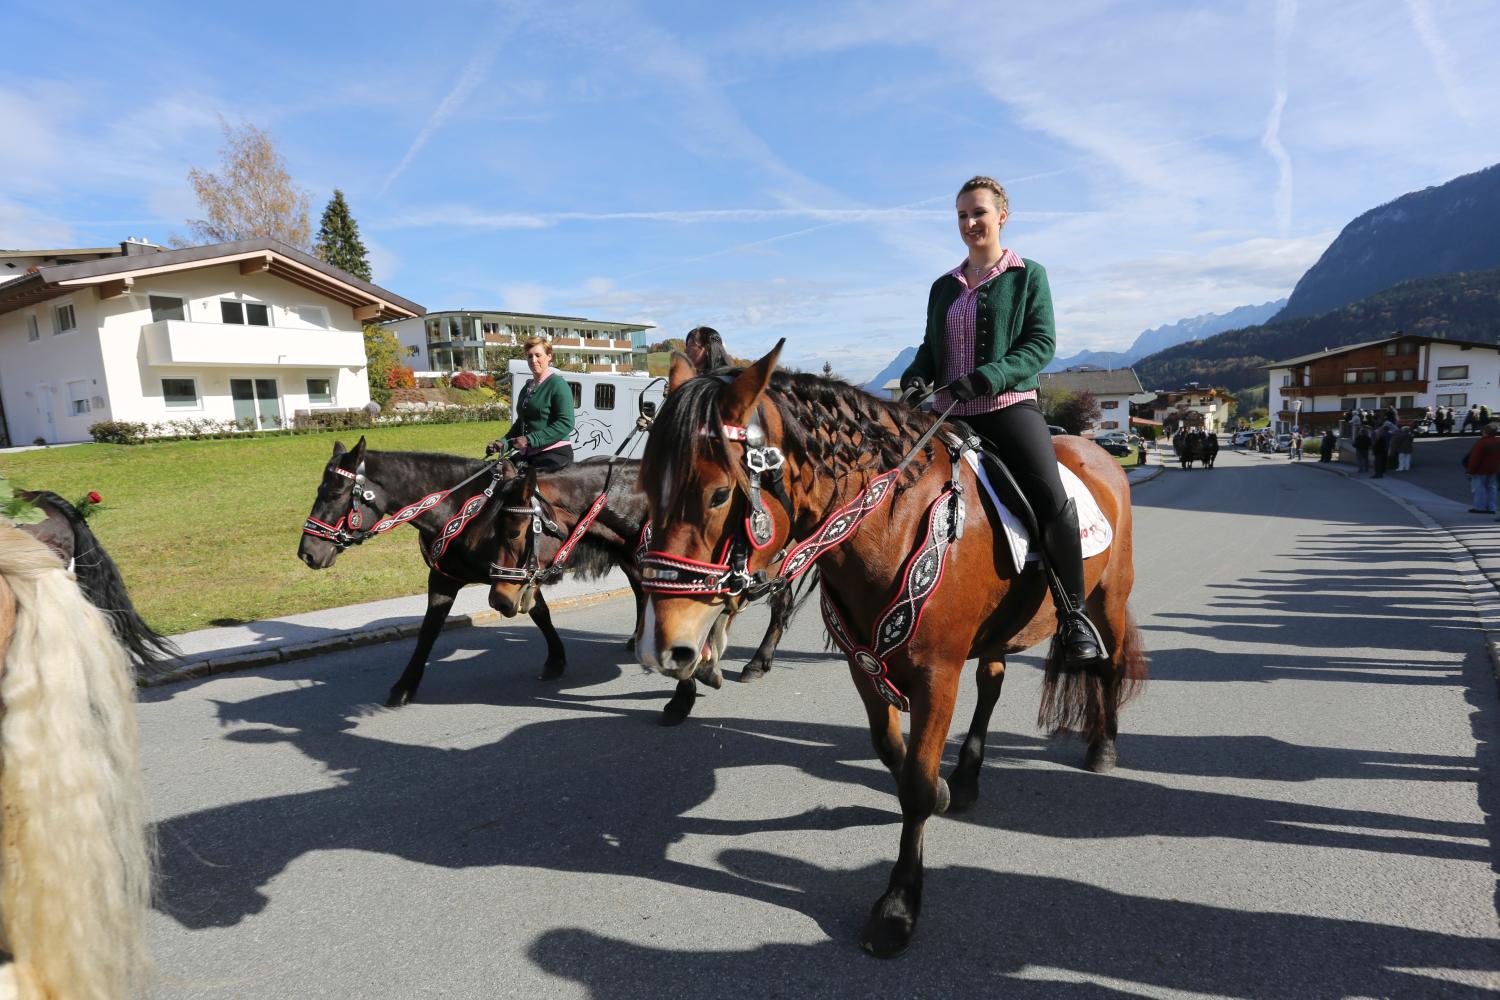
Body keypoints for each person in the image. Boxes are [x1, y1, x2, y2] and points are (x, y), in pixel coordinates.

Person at [899, 175, 1103, 670]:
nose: (970, 222)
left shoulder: (1028, 274)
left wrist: (987, 377)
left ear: (1002, 216)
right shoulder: (943, 286)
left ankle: (1074, 616)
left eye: (979, 213)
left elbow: (1040, 344)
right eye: (962, 215)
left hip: (1008, 407)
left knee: (1050, 499)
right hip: (948, 413)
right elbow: (930, 348)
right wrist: (916, 376)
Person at [491, 335, 575, 471]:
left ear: (549, 356)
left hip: (554, 454)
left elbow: (566, 423)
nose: (533, 360)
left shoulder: (558, 385)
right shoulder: (527, 388)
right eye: (529, 356)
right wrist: (503, 443)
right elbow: (522, 422)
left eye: (538, 355)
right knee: (497, 473)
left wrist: (529, 439)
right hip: (529, 454)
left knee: (526, 483)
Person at [1466, 423, 1500, 514]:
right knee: (1492, 488)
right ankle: (1491, 507)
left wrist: (1470, 471)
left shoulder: (1481, 442)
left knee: (1479, 489)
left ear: (1485, 431)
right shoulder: (1498, 441)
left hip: (1480, 469)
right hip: (1493, 469)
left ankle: (1480, 507)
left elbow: (1475, 458)